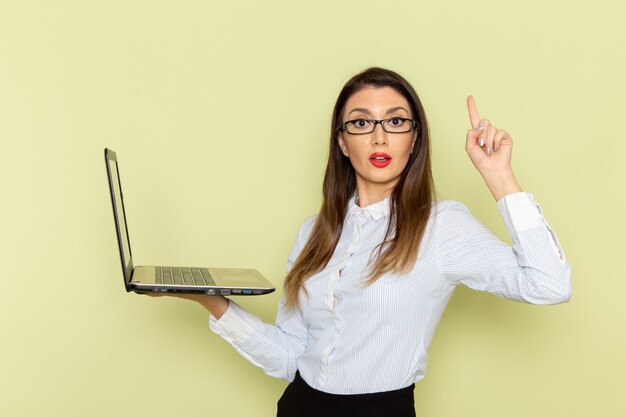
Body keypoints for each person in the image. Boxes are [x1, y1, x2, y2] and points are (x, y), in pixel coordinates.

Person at [152, 67, 572, 417]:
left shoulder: (441, 226)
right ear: (341, 141)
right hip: (299, 407)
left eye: (395, 121)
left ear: (414, 139)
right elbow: (291, 358)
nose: (378, 137)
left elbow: (549, 284)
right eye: (360, 122)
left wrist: (498, 176)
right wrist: (212, 301)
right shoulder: (313, 232)